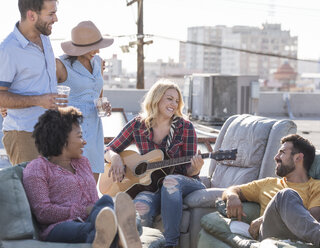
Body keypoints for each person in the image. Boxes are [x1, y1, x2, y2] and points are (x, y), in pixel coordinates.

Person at [104, 80, 206, 248]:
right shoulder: (138, 125)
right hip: (151, 187)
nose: (174, 104)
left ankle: (170, 244)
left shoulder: (185, 127)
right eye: (169, 99)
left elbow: (190, 171)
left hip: (184, 182)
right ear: (156, 99)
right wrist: (114, 158)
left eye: (176, 101)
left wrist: (195, 168)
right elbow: (109, 149)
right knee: (140, 208)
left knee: (170, 181)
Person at [222, 134, 320, 247]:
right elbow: (233, 189)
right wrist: (232, 196)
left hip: (309, 232)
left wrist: (264, 218)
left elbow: (315, 218)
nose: (276, 157)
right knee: (285, 195)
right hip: (273, 233)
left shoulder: (319, 187)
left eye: (282, 152)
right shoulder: (268, 183)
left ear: (298, 158)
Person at [22, 106, 141, 248]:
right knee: (97, 229)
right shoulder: (37, 168)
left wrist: (97, 212)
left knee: (106, 201)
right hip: (59, 227)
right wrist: (83, 211)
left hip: (92, 220)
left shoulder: (83, 163)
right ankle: (120, 234)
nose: (84, 142)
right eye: (79, 136)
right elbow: (43, 212)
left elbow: (95, 206)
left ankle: (116, 232)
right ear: (61, 139)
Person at [0, 0, 66, 165]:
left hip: (51, 132)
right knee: (32, 191)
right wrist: (39, 100)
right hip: (24, 135)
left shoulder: (44, 38)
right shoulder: (8, 49)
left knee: (54, 190)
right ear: (31, 15)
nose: (56, 19)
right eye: (51, 14)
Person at [56, 20, 113, 182]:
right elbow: (40, 90)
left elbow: (97, 93)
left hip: (95, 128)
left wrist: (103, 104)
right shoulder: (60, 65)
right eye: (93, 46)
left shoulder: (98, 61)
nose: (98, 50)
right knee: (72, 186)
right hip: (71, 130)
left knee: (91, 187)